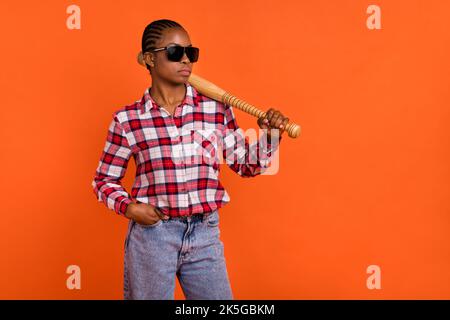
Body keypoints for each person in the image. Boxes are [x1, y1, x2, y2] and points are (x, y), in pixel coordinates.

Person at [91, 19, 289, 300]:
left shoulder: (215, 109)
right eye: (174, 51)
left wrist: (270, 136)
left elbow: (246, 165)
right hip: (153, 237)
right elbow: (104, 180)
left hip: (204, 234)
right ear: (149, 59)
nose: (185, 59)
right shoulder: (128, 120)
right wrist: (130, 208)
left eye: (191, 52)